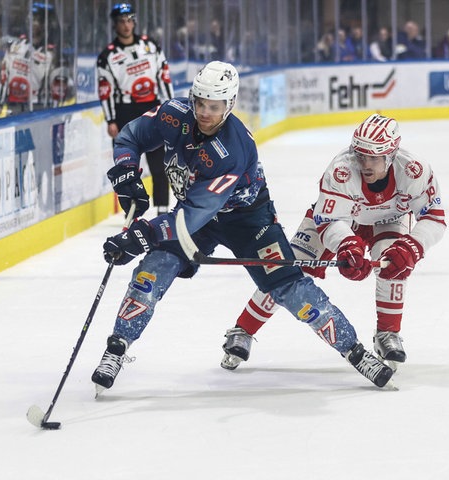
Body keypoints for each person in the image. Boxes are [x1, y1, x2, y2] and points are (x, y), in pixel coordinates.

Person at [90, 61, 395, 395]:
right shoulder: (173, 113)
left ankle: (355, 351)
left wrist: (143, 233)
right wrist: (126, 172)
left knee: (290, 289)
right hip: (194, 214)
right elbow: (130, 136)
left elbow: (193, 216)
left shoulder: (233, 149)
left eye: (214, 106)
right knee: (152, 270)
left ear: (229, 105)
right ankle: (116, 349)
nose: (205, 112)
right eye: (200, 103)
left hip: (248, 221)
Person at [221, 113, 446, 372]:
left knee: (393, 263)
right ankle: (243, 331)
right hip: (339, 220)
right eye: (361, 155)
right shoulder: (341, 169)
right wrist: (347, 245)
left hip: (389, 219)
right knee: (285, 272)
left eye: (374, 157)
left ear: (391, 155)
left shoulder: (414, 170)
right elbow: (329, 220)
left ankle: (387, 334)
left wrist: (412, 247)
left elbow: (434, 219)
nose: (365, 164)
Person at [97, 3, 174, 215]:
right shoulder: (107, 56)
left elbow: (164, 78)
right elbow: (105, 90)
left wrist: (169, 106)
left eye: (130, 20)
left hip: (153, 107)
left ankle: (162, 209)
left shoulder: (151, 46)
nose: (126, 25)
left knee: (159, 163)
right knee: (126, 165)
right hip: (124, 111)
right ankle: (131, 211)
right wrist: (111, 119)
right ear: (115, 24)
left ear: (135, 22)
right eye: (121, 21)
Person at [0, 3, 57, 118]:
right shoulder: (16, 46)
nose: (33, 23)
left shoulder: (50, 54)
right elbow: (4, 76)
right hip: (13, 107)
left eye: (37, 20)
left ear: (45, 24)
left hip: (38, 109)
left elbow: (53, 87)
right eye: (31, 19)